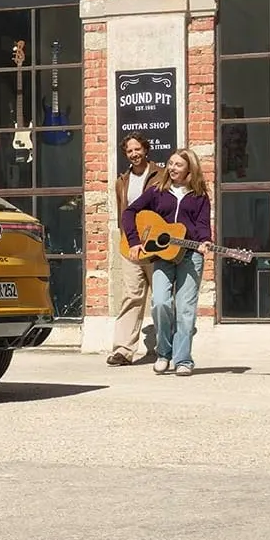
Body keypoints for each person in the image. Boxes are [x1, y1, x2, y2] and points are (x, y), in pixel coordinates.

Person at [121, 148, 212, 377]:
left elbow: (202, 224)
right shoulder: (157, 192)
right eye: (170, 163)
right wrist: (133, 241)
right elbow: (130, 212)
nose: (172, 168)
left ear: (189, 168)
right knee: (160, 303)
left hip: (190, 256)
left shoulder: (199, 195)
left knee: (185, 310)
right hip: (163, 256)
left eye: (178, 165)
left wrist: (205, 242)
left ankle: (183, 360)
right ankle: (164, 353)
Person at [106, 133, 161, 366]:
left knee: (162, 298)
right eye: (129, 151)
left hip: (157, 245)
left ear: (145, 149)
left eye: (137, 149)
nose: (134, 154)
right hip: (131, 245)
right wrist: (128, 240)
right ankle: (123, 350)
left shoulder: (162, 175)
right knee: (131, 296)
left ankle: (165, 347)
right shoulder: (123, 180)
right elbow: (123, 214)